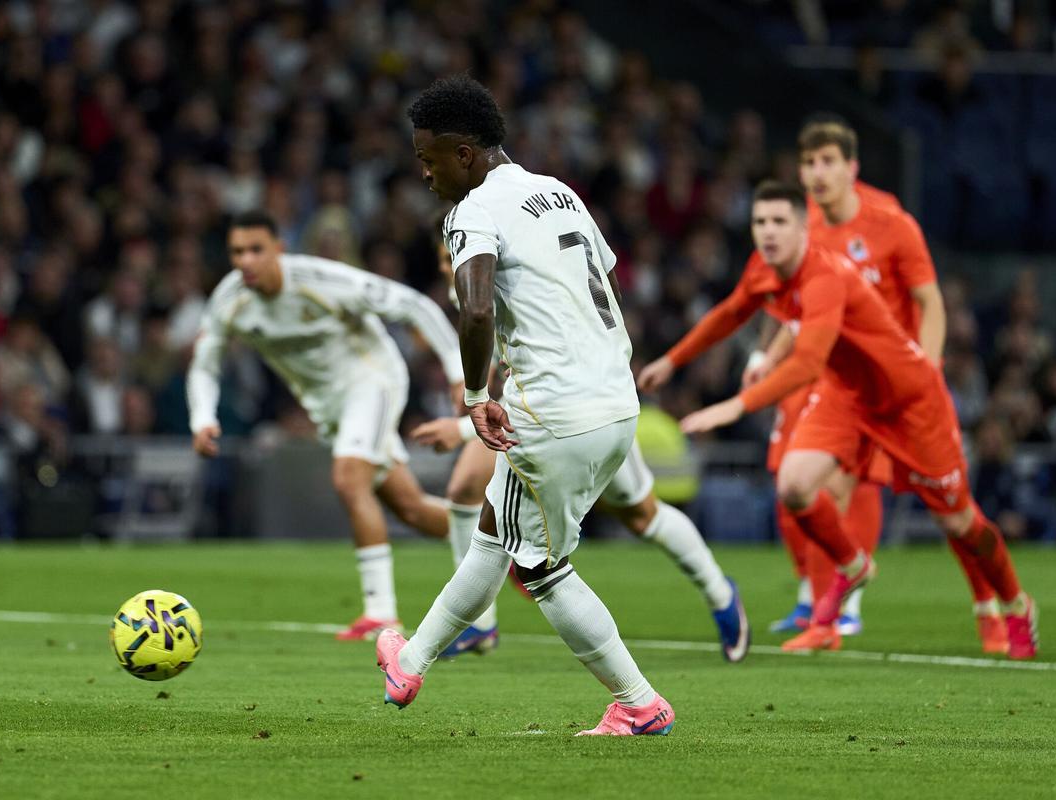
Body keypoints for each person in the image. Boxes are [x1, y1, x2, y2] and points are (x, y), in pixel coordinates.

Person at [376, 74, 676, 737]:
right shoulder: (560, 194)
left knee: (540, 568)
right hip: (614, 401)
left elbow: (477, 308)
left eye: (429, 159)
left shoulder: (474, 211)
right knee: (495, 534)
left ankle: (639, 701)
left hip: (556, 412)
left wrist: (477, 395)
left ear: (466, 153)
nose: (423, 174)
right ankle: (412, 663)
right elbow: (598, 285)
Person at [638, 181, 1038, 659]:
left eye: (780, 222)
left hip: (908, 399)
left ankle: (1015, 603)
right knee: (795, 484)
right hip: (848, 396)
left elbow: (807, 362)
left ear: (804, 229)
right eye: (760, 222)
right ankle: (850, 570)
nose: (768, 232)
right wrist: (673, 360)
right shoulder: (764, 268)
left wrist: (734, 407)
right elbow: (729, 313)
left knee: (959, 521)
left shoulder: (825, 275)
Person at [412, 225, 748, 662]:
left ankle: (721, 595)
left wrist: (458, 429)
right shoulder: (489, 280)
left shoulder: (505, 281)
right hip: (565, 412)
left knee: (642, 517)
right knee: (467, 493)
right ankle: (480, 623)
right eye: (442, 260)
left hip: (578, 409)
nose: (448, 266)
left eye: (449, 256)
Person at [758, 119, 1004, 653]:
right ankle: (831, 617)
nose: (817, 174)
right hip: (847, 390)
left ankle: (990, 604)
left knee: (951, 513)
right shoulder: (807, 230)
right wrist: (767, 356)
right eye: (809, 164)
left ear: (852, 167)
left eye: (827, 162)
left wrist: (929, 368)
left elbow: (929, 302)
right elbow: (797, 308)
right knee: (819, 490)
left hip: (904, 393)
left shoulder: (891, 221)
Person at [187, 210, 466, 640]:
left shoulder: (323, 280)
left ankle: (381, 614)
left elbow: (415, 305)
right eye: (237, 252)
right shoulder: (230, 300)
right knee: (410, 509)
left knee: (348, 478)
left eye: (256, 250)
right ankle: (504, 544)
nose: (246, 260)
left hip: (373, 379)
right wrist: (202, 418)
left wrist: (456, 371)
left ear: (279, 249)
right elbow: (205, 364)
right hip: (329, 407)